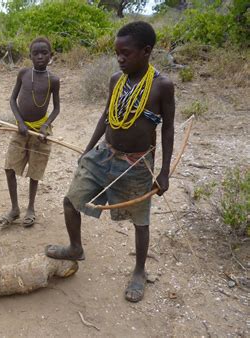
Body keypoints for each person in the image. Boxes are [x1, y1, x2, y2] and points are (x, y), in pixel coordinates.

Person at [46, 21, 175, 303]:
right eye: (117, 53)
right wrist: (88, 148)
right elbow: (106, 116)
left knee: (140, 220)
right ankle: (75, 247)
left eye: (125, 53)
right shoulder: (116, 79)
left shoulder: (162, 86)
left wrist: (164, 172)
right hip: (104, 153)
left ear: (146, 51)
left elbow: (167, 129)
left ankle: (139, 271)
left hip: (137, 164)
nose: (120, 58)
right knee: (71, 200)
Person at [0, 37, 61, 229]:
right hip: (22, 129)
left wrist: (45, 126)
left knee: (35, 171)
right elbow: (12, 100)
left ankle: (31, 208)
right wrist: (19, 122)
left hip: (40, 132)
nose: (40, 57)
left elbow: (56, 108)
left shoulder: (54, 80)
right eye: (36, 53)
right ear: (30, 55)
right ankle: (15, 208)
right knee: (9, 168)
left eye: (44, 53)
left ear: (51, 56)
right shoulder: (24, 73)